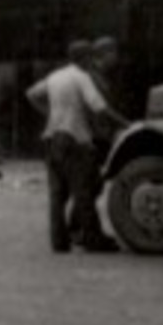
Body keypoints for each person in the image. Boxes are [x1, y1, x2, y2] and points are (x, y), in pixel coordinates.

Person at [27, 39, 128, 254]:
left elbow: (31, 94)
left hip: (52, 138)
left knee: (57, 195)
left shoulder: (56, 76)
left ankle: (59, 242)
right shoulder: (81, 77)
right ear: (84, 58)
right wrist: (126, 124)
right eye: (90, 57)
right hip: (75, 139)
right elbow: (99, 108)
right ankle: (93, 240)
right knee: (83, 192)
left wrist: (48, 113)